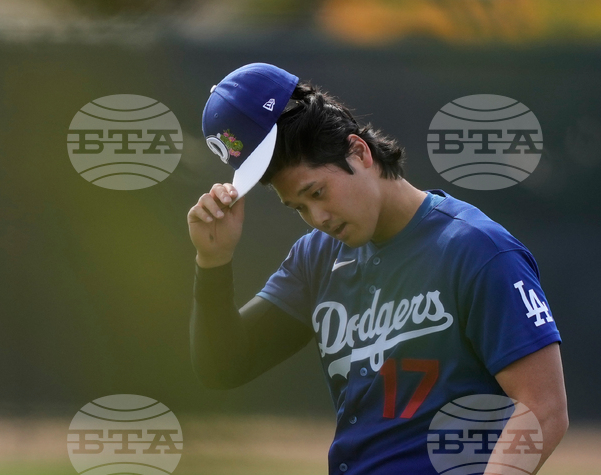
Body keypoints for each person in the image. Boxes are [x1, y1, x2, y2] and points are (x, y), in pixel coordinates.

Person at [188, 63, 567, 474]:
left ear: (359, 151)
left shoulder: (476, 249)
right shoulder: (318, 257)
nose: (318, 217)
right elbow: (224, 365)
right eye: (299, 207)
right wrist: (213, 261)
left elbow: (544, 409)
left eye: (317, 192)